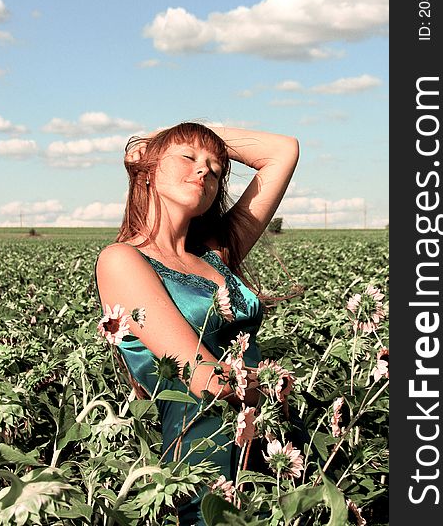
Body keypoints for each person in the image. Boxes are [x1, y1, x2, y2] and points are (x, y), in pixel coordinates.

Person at [95, 121, 299, 525]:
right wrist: (273, 382)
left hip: (268, 446)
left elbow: (283, 152)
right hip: (203, 457)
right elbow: (205, 378)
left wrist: (191, 134)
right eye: (188, 158)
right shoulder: (121, 260)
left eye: (216, 168)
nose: (204, 170)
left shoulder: (215, 254)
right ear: (148, 171)